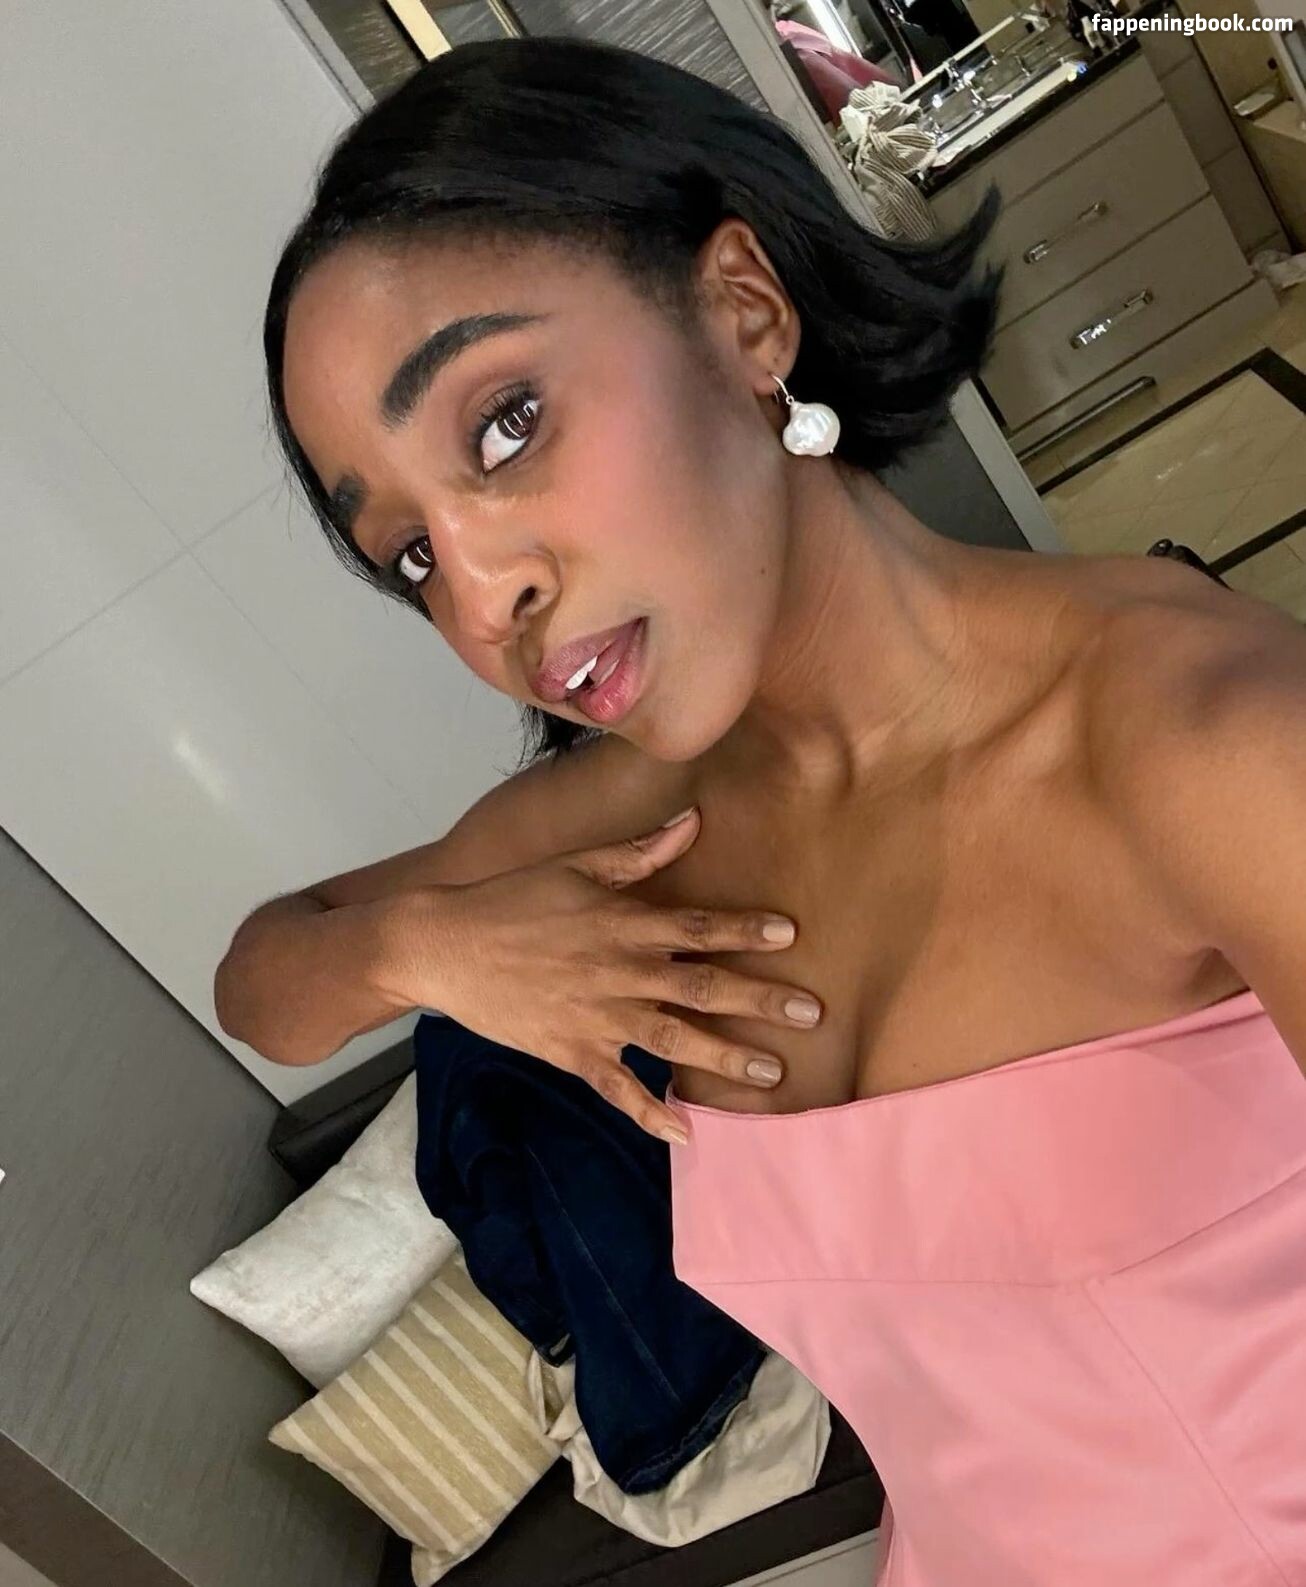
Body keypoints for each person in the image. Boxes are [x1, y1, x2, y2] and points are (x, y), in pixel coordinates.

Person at [220, 37, 1306, 1585]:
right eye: (407, 555)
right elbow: (266, 984)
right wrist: (422, 953)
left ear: (743, 313)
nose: (478, 595)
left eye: (506, 423)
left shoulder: (1203, 745)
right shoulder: (635, 828)